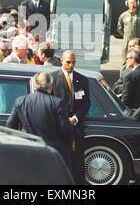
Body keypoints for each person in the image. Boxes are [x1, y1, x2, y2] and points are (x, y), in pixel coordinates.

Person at [6, 72, 74, 168]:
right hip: (51, 152)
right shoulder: (57, 103)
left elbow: (10, 126)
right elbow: (65, 129)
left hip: (27, 150)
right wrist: (70, 142)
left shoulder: (20, 101)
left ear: (34, 86)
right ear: (51, 86)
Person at [51, 50, 90, 185]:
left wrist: (76, 118)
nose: (71, 65)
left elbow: (86, 102)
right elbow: (50, 101)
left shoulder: (82, 79)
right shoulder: (53, 78)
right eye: (68, 62)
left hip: (76, 127)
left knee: (78, 162)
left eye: (73, 62)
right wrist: (62, 118)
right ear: (61, 61)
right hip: (59, 127)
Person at [116, 0, 140, 68]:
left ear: (137, 3)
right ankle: (123, 78)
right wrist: (126, 37)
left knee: (138, 62)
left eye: (134, 2)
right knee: (125, 62)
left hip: (138, 45)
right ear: (127, 3)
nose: (132, 4)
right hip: (127, 45)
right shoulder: (123, 15)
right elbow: (119, 28)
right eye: (130, 2)